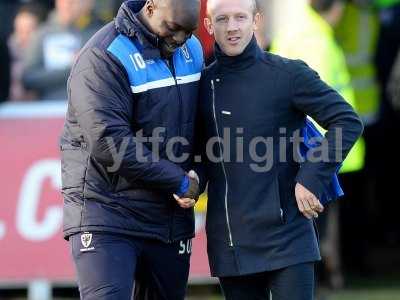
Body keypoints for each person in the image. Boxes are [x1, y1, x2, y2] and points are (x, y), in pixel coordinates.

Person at [191, 0, 363, 298]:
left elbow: (347, 121)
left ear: (255, 21)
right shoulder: (201, 85)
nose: (232, 27)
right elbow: (200, 155)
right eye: (222, 19)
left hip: (289, 237)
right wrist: (190, 182)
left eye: (240, 18)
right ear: (208, 26)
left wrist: (311, 178)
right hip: (231, 242)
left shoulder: (288, 74)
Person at [60, 0, 202, 299]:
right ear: (150, 8)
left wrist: (198, 175)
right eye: (174, 29)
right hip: (107, 210)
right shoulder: (105, 55)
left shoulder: (194, 49)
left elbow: (202, 123)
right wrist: (178, 181)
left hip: (167, 217)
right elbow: (110, 142)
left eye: (189, 32)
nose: (180, 40)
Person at [22, 0, 102, 100]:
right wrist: (71, 68)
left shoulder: (99, 34)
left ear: (88, 3)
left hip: (89, 107)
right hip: (49, 108)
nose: (67, 4)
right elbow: (28, 78)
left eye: (73, 1)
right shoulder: (41, 34)